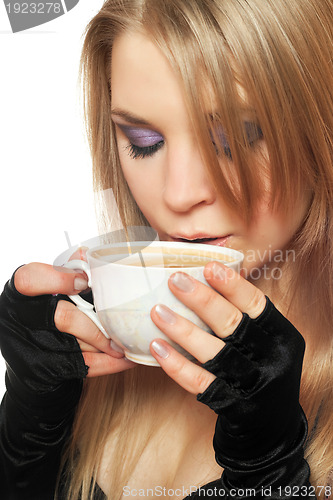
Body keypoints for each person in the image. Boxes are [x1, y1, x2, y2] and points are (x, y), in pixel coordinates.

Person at [0, 0, 333, 499]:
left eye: (238, 137)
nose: (178, 194)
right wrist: (30, 419)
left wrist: (272, 476)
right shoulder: (108, 356)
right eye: (145, 141)